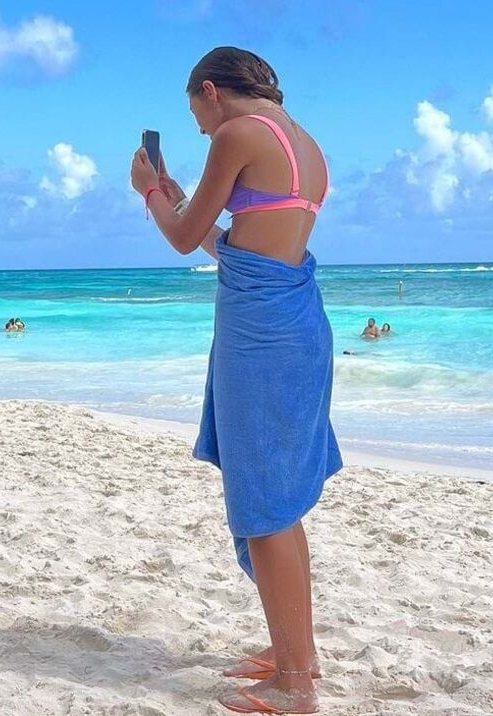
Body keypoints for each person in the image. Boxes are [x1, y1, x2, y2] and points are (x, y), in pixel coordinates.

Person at [132, 46, 340, 714]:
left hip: (262, 335)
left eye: (194, 110)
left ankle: (295, 686)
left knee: (266, 506)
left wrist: (149, 193)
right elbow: (237, 245)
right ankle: (295, 655)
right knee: (278, 503)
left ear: (211, 91)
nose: (197, 128)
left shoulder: (236, 133)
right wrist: (175, 198)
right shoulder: (303, 142)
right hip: (295, 321)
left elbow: (181, 237)